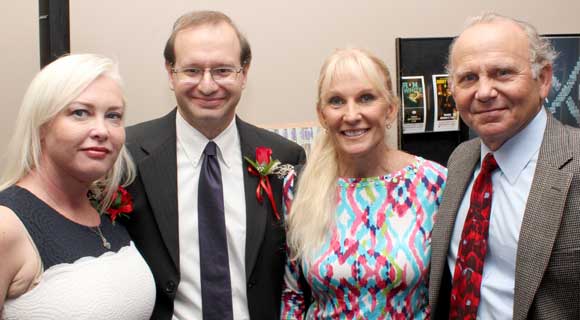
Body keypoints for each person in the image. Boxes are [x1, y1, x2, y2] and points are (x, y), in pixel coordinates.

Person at [124, 10, 306, 320]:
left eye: (222, 70)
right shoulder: (127, 157)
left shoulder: (284, 159)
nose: (207, 86)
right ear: (170, 73)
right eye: (192, 70)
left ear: (244, 73)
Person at [429, 13, 580, 320]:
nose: (484, 92)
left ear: (544, 79)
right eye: (469, 78)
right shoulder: (461, 160)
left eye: (503, 73)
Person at [281, 48, 447, 319]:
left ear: (391, 108)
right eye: (336, 101)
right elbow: (292, 295)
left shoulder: (433, 183)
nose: (351, 114)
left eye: (366, 98)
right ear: (322, 115)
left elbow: (447, 293)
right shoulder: (298, 187)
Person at [0, 54, 155, 319]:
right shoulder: (7, 225)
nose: (102, 130)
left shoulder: (101, 211)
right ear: (42, 126)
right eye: (80, 113)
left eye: (113, 116)